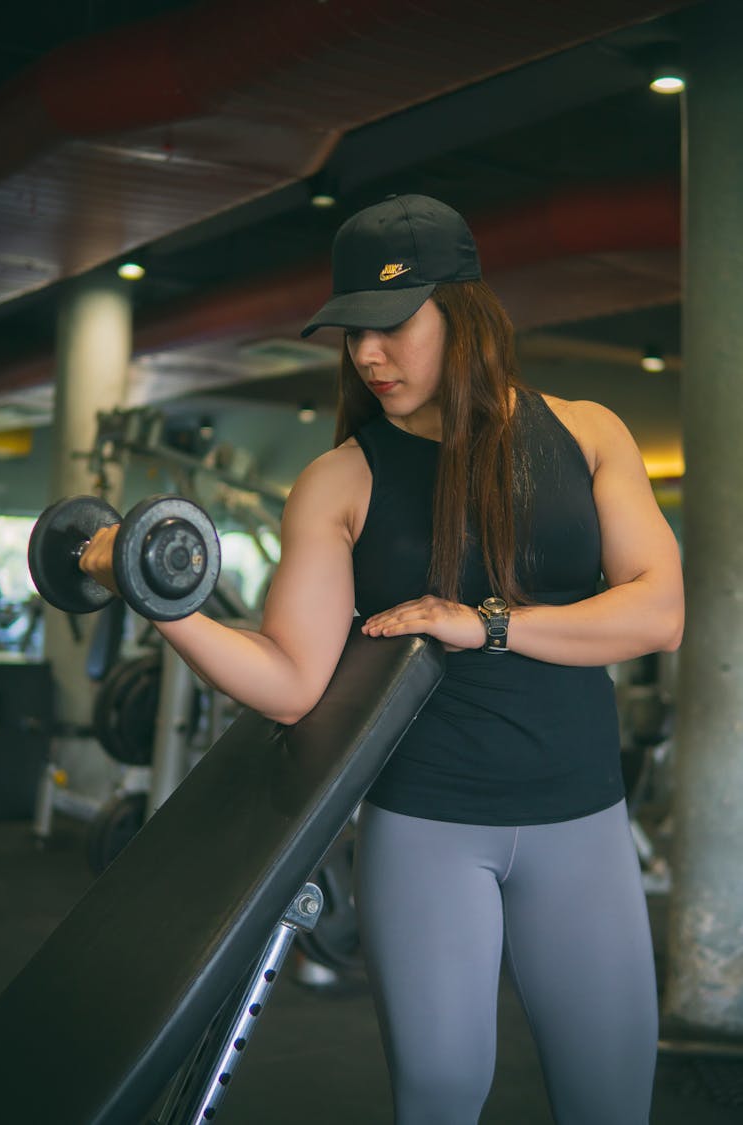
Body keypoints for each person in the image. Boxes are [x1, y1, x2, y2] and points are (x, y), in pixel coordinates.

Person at [80, 193, 684, 1124]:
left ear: (465, 312)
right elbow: (289, 684)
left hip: (586, 821)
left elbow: (659, 611)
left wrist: (481, 622)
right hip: (428, 827)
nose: (367, 354)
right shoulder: (341, 479)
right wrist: (159, 594)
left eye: (393, 324)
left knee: (609, 1098)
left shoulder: (588, 434)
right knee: (440, 1095)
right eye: (352, 332)